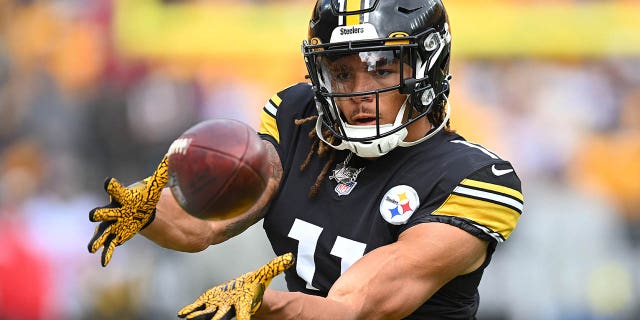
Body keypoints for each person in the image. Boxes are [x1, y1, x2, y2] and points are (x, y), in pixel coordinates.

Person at [87, 0, 524, 319]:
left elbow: (352, 306)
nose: (358, 91)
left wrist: (266, 303)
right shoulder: (299, 120)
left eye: (381, 68)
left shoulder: (475, 179)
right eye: (341, 72)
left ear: (427, 67)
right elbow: (204, 224)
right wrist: (147, 210)